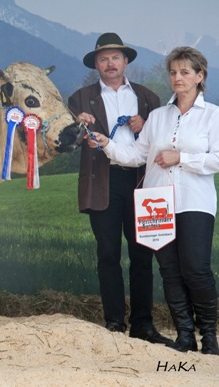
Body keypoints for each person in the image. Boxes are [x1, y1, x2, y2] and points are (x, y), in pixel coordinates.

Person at [92, 46, 219, 355]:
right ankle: (184, 335)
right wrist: (108, 144)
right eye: (173, 72)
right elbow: (137, 155)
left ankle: (209, 335)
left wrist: (181, 158)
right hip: (157, 202)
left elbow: (217, 159)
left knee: (197, 270)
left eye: (185, 72)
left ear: (200, 76)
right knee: (169, 270)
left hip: (195, 202)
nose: (177, 78)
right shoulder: (158, 116)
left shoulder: (213, 115)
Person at [69, 32, 172, 345]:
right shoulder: (79, 98)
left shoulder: (147, 97)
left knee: (142, 255)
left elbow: (160, 138)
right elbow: (70, 141)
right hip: (103, 181)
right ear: (96, 65)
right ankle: (114, 322)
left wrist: (145, 124)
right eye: (103, 59)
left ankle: (142, 324)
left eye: (115, 57)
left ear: (126, 61)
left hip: (141, 182)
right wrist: (79, 125)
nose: (110, 63)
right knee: (108, 253)